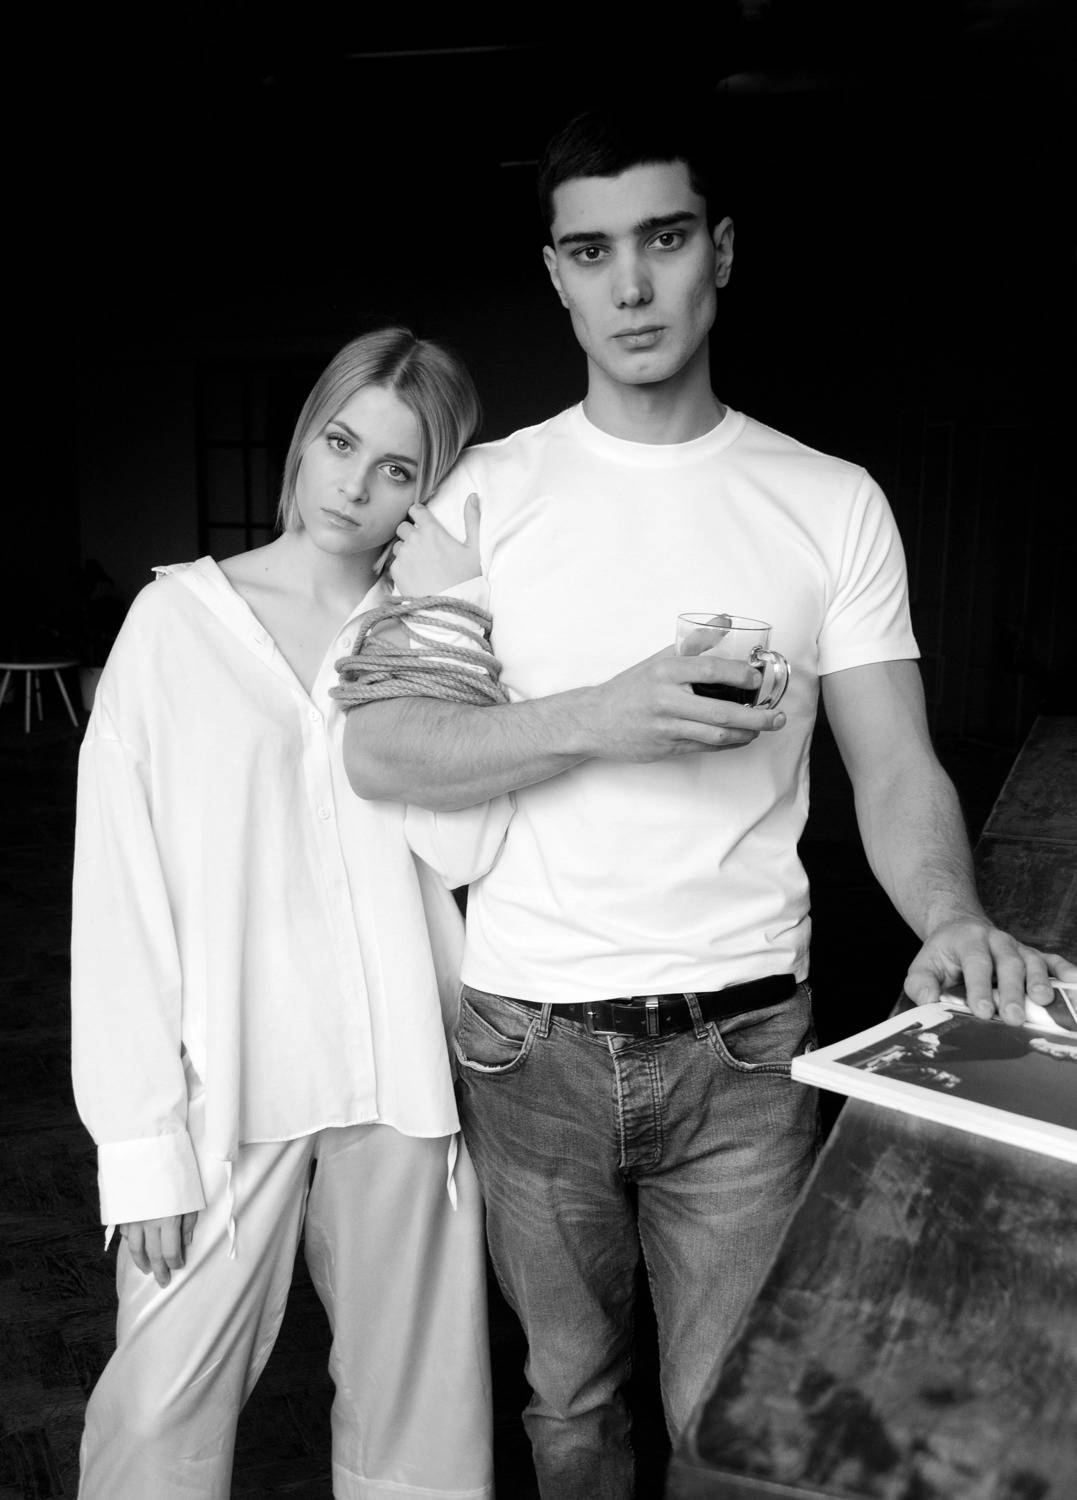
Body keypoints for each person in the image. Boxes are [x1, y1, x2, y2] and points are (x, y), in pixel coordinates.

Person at [341, 109, 1077, 1497]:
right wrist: (604, 715)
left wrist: (949, 912)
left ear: (719, 253)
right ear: (555, 276)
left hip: (746, 1041)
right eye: (591, 252)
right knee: (569, 1402)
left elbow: (896, 762)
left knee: (730, 1431)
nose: (631, 286)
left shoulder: (830, 500)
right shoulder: (478, 497)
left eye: (664, 240)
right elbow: (386, 750)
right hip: (528, 1040)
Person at [71, 326, 507, 1500]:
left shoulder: (417, 628)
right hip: (229, 1085)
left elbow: (467, 848)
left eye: (398, 470)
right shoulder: (173, 627)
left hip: (402, 1079)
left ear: (427, 493)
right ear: (307, 438)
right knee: (153, 1427)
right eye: (341, 444)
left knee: (422, 1441)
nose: (354, 488)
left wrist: (451, 615)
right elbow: (117, 900)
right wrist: (140, 1148)